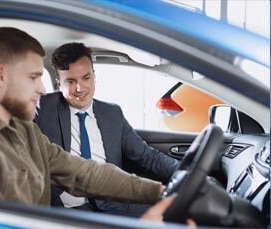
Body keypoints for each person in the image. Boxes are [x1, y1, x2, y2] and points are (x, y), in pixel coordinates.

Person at [0, 27, 167, 215]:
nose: (43, 89)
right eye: (34, 77)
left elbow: (83, 173)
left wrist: (160, 192)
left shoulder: (25, 132)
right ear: (1, 75)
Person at [35, 42, 179, 217]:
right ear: (59, 83)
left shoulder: (112, 113)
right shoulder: (42, 107)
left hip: (112, 203)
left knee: (177, 214)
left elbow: (146, 155)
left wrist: (184, 173)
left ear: (94, 76)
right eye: (71, 81)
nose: (80, 88)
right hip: (67, 209)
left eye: (86, 78)